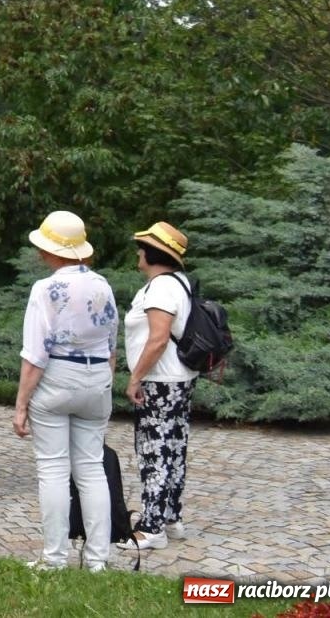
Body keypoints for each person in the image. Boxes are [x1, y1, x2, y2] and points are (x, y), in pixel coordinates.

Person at [13, 210, 118, 572]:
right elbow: (112, 345)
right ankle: (98, 561)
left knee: (54, 469)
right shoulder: (103, 285)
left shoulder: (45, 289)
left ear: (50, 250)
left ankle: (55, 558)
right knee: (91, 470)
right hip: (96, 379)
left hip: (57, 377)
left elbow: (35, 354)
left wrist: (21, 404)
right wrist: (105, 383)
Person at [121, 221, 196, 551]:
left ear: (152, 254)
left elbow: (157, 338)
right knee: (174, 449)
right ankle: (170, 517)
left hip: (160, 382)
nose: (138, 253)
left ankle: (151, 529)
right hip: (177, 380)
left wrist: (135, 377)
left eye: (142, 248)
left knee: (155, 452)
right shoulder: (178, 282)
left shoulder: (162, 288)